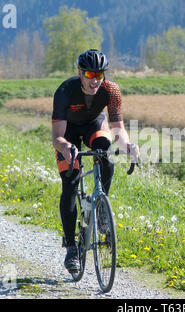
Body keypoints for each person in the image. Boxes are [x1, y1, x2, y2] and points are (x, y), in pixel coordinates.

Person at [51, 49, 139, 273]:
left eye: (99, 75)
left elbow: (118, 129)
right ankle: (71, 247)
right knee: (70, 182)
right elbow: (56, 137)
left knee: (106, 155)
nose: (95, 80)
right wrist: (66, 147)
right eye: (90, 75)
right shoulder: (64, 91)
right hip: (67, 133)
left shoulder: (111, 90)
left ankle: (100, 207)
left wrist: (128, 146)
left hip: (94, 125)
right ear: (80, 73)